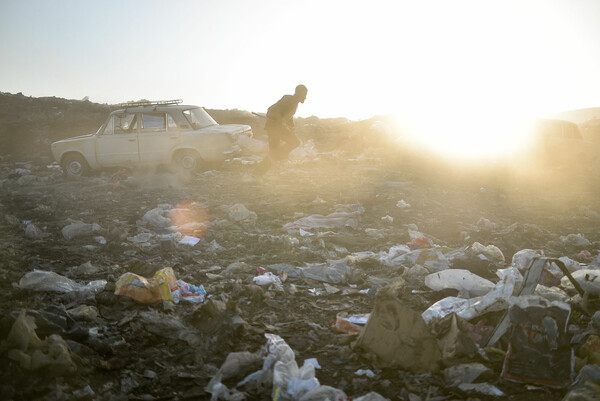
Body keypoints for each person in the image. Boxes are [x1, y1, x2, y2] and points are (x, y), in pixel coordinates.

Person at [256, 84, 308, 174]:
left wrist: (291, 127)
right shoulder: (288, 99)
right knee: (294, 142)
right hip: (274, 129)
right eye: (305, 94)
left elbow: (288, 117)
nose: (306, 97)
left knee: (274, 152)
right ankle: (275, 158)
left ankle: (258, 173)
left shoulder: (294, 103)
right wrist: (279, 120)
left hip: (277, 129)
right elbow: (272, 109)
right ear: (299, 93)